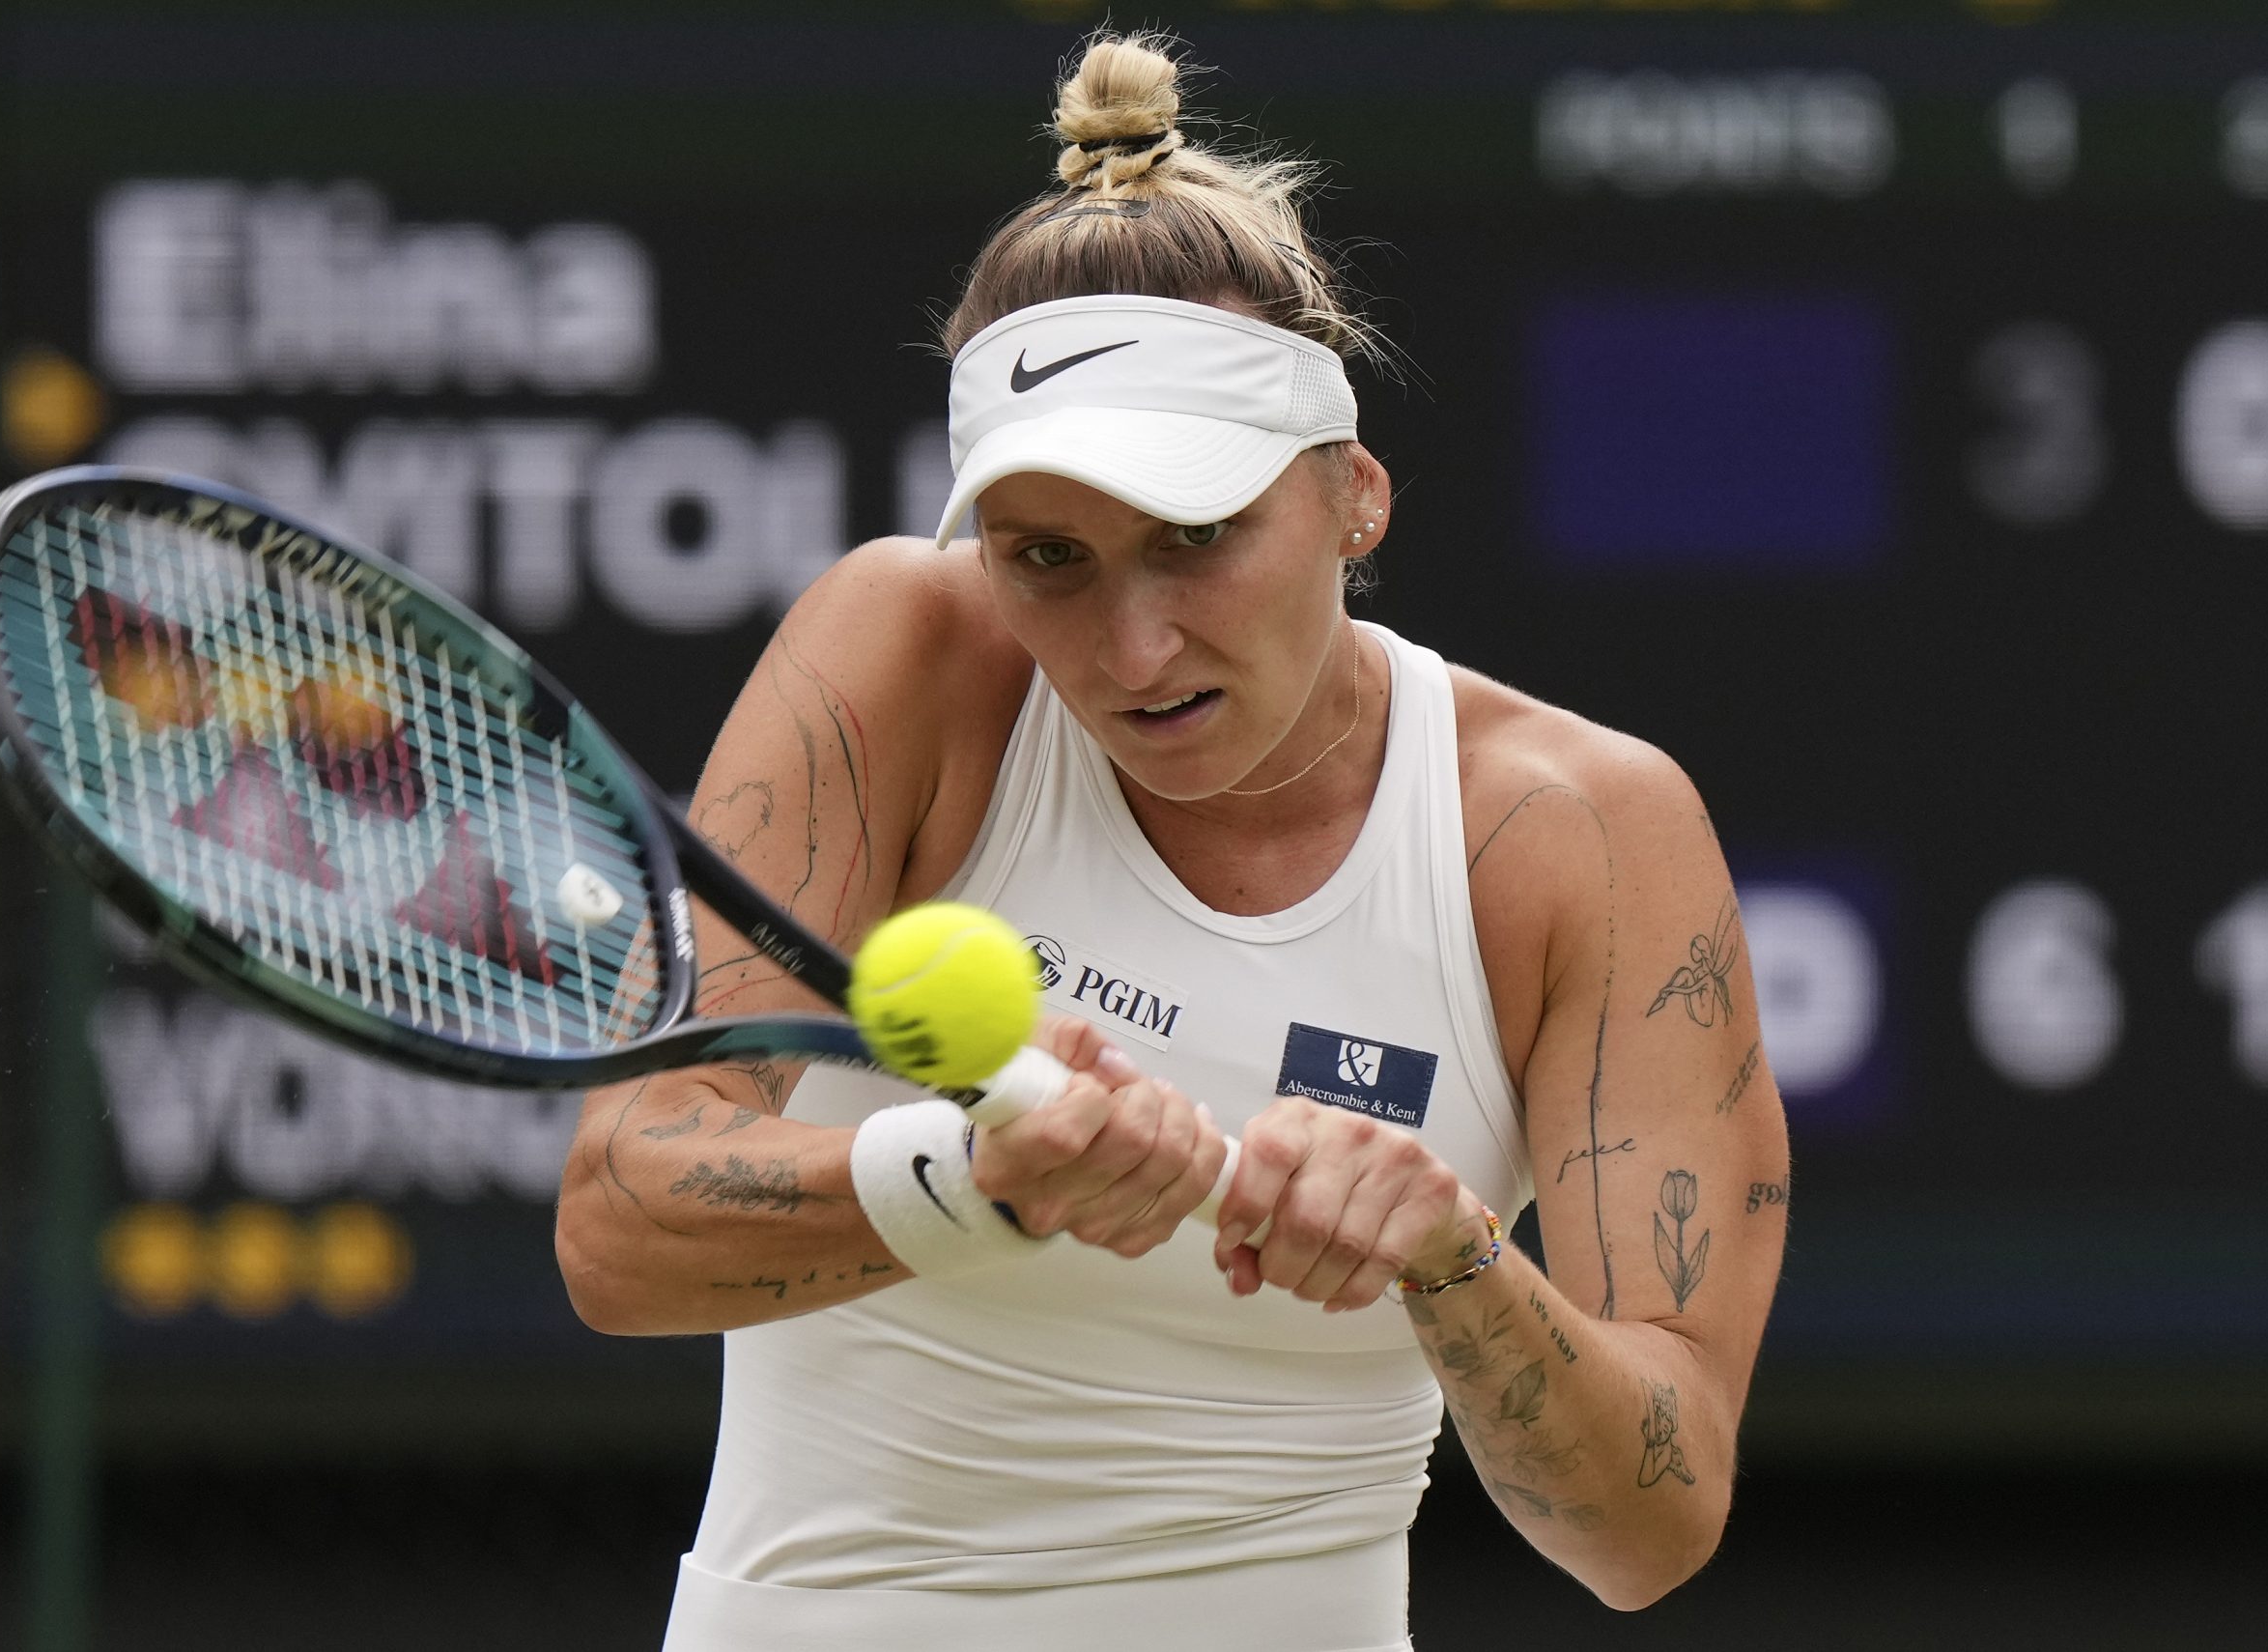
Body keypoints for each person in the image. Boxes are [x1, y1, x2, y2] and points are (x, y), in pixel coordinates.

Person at [555, 29, 1789, 1652]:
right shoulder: (909, 653)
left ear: (1355, 496)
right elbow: (618, 1227)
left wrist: (1454, 1261)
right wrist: (970, 1180)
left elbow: (1654, 1524)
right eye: (1048, 556)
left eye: (1198, 535)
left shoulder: (1580, 830)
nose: (1134, 650)